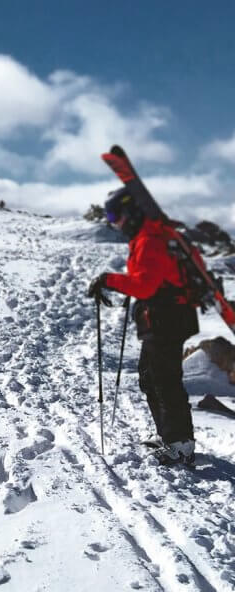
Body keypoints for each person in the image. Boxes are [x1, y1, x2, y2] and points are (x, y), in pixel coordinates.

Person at [88, 186, 199, 466]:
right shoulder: (148, 237)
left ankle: (179, 444)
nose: (114, 223)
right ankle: (171, 436)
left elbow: (145, 285)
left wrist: (109, 280)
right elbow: (148, 279)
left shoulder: (150, 239)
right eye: (110, 217)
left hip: (166, 319)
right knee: (151, 377)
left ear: (131, 211)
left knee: (164, 380)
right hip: (164, 318)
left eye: (115, 216)